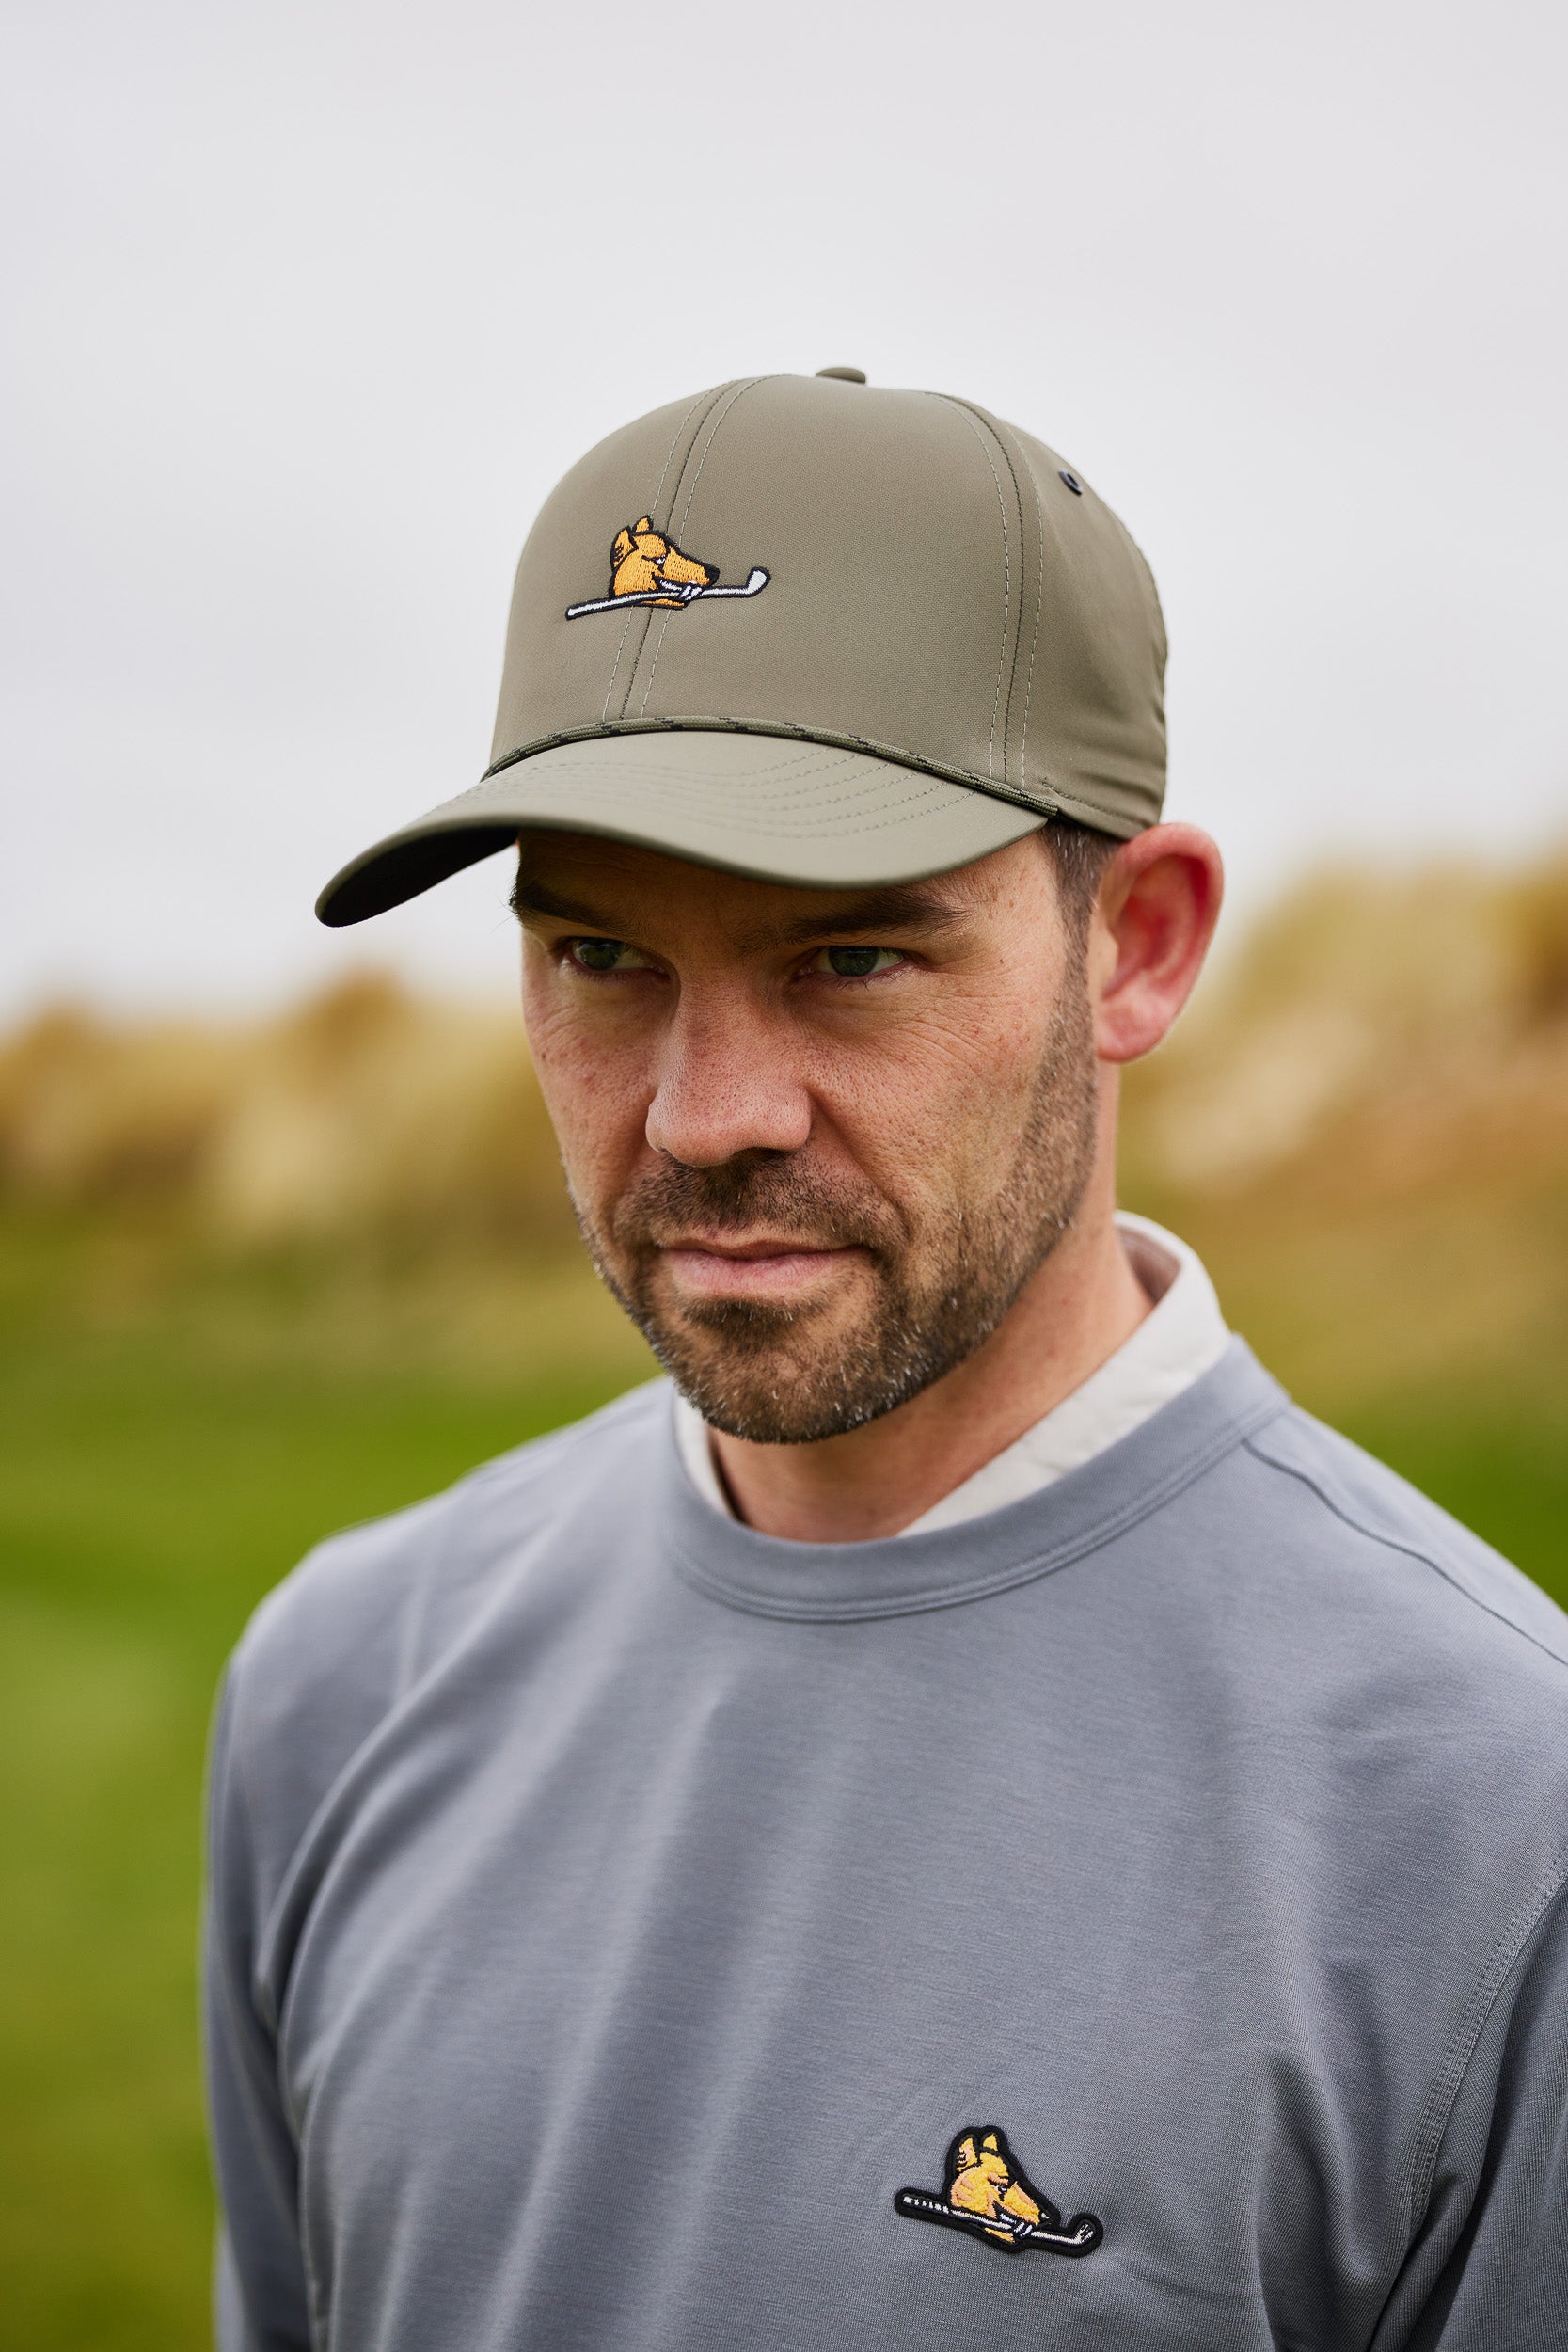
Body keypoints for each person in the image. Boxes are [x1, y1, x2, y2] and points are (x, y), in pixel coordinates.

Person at [205, 372, 1568, 2350]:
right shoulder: (344, 1682)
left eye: (851, 955)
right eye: (603, 957)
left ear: (1140, 947)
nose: (703, 1113)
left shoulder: (1491, 1826)